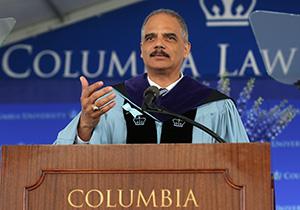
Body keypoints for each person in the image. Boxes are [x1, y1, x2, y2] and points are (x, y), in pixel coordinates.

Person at [54, 9, 249, 144]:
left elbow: (244, 167)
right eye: (150, 38)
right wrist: (86, 126)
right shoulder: (110, 101)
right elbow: (64, 162)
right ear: (141, 50)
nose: (158, 44)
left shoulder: (216, 106)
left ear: (186, 49)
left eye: (169, 37)